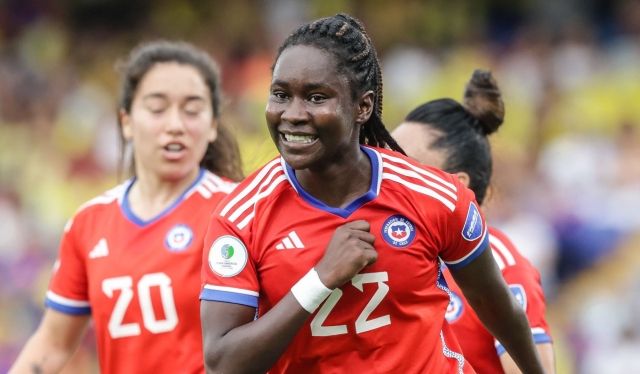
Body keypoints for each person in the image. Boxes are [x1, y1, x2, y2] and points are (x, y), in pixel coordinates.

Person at [200, 14, 545, 374]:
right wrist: (318, 281)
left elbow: (497, 305)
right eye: (281, 95)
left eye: (316, 97)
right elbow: (222, 364)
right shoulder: (241, 217)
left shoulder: (433, 196)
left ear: (362, 107)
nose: (293, 114)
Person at [9, 41, 243, 374]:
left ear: (213, 125)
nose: (175, 124)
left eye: (192, 109)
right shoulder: (88, 223)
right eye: (157, 108)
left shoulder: (239, 211)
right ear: (127, 122)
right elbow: (54, 343)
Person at [392, 70, 556, 374]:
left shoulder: (503, 266)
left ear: (456, 186)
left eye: (407, 166)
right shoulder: (381, 249)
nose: (390, 175)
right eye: (386, 160)